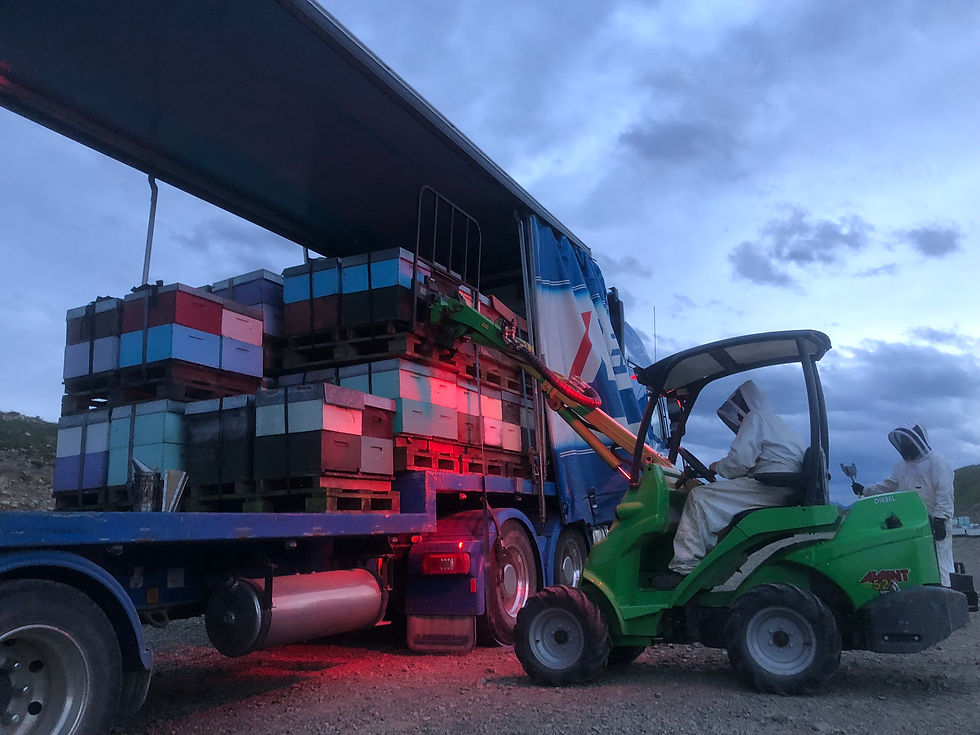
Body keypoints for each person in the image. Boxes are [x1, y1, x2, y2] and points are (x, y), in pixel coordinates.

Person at [653, 379, 806, 589]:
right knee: (712, 501)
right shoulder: (777, 425)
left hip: (770, 486)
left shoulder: (756, 418)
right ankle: (705, 562)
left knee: (699, 497)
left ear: (745, 404)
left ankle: (684, 569)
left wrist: (717, 467)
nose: (739, 416)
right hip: (779, 486)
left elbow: (738, 463)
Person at [852, 424, 954, 586]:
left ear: (919, 440)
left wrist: (941, 518)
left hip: (935, 521)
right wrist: (865, 490)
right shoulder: (901, 466)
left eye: (908, 441)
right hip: (912, 522)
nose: (906, 444)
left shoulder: (937, 462)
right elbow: (888, 485)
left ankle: (947, 592)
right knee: (918, 561)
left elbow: (945, 492)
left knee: (941, 561)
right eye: (904, 441)